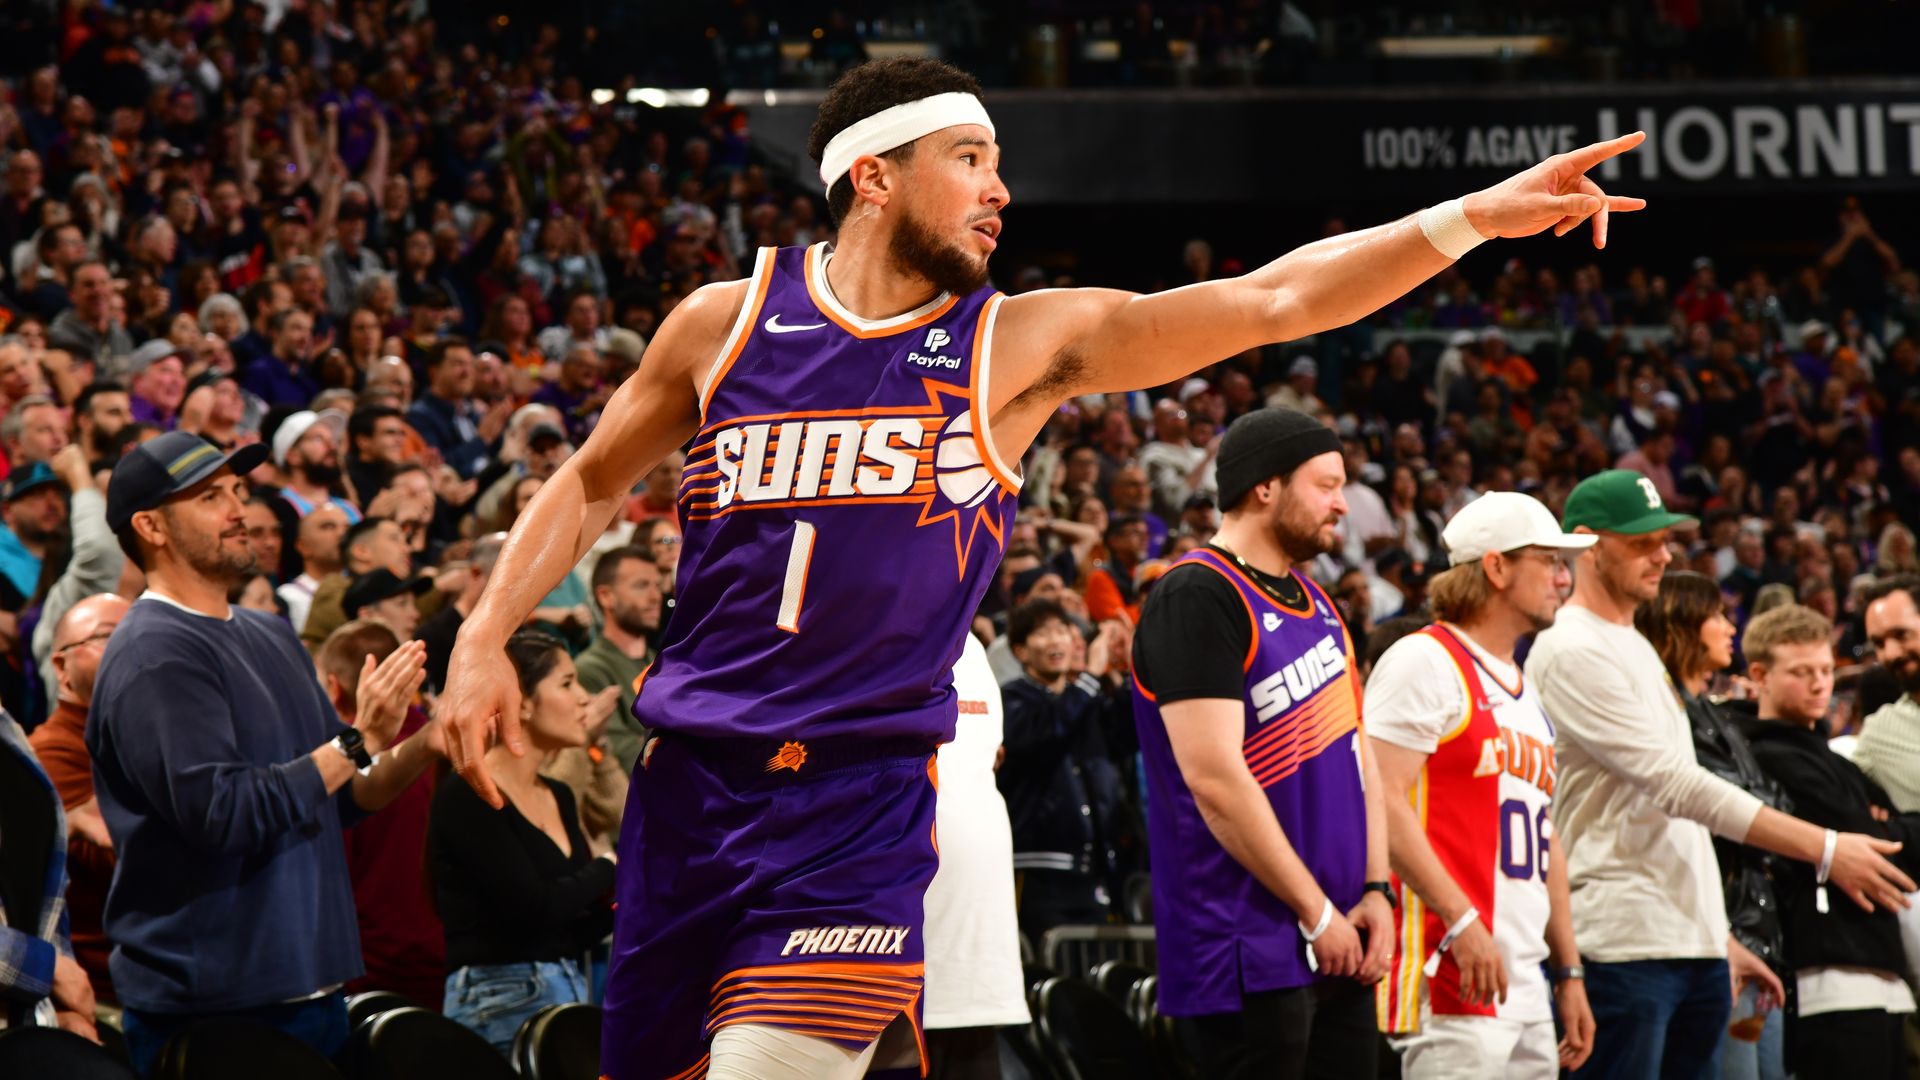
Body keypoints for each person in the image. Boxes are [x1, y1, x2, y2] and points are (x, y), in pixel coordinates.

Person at [436, 56, 1652, 1079]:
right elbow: (591, 481)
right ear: (874, 174)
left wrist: (1470, 219)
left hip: (854, 798)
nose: (1000, 191)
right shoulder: (722, 321)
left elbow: (1273, 298)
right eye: (970, 159)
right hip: (689, 788)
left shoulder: (1015, 345)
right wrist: (485, 637)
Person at [1525, 469, 1911, 1080]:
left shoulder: (1632, 645)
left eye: (1665, 538)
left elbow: (1671, 820)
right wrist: (1827, 848)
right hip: (1622, 944)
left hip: (1688, 943)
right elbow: (1675, 786)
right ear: (1586, 543)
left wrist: (1714, 933)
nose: (1664, 554)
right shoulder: (1572, 648)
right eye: (1641, 543)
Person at [86, 430, 434, 1073]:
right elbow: (224, 812)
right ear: (151, 527)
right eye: (212, 496)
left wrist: (426, 740)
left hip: (314, 985)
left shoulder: (270, 633)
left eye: (239, 490)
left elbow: (340, 799)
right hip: (214, 1004)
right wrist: (357, 740)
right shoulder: (154, 653)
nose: (240, 509)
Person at [1130, 407, 1392, 1078]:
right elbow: (1215, 779)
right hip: (1247, 945)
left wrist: (1376, 891)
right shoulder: (1198, 594)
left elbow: (1362, 761)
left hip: (1342, 936)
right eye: (1326, 485)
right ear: (1264, 487)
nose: (1342, 505)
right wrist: (1313, 913)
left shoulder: (1322, 603)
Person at [1366, 492, 1596, 1077]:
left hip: (1522, 977)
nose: (1562, 579)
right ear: (1495, 567)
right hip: (1447, 967)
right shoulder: (1423, 660)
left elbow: (1547, 840)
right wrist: (1463, 920)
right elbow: (1380, 801)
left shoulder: (1526, 689)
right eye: (1548, 561)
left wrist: (1567, 970)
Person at [1735, 606, 1920, 1080]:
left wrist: (1885, 826)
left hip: (1877, 969)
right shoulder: (1767, 755)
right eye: (1802, 673)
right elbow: (1881, 839)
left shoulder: (1836, 761)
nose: (1820, 684)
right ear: (1759, 675)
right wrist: (1881, 827)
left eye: (1824, 670)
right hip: (1824, 976)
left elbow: (1883, 830)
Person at [1635, 571, 1793, 1080]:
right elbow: (1741, 805)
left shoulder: (1714, 714)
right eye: (1716, 616)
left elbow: (1775, 803)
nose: (1730, 628)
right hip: (1716, 934)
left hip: (1754, 936)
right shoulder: (1669, 716)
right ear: (1681, 624)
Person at [429, 630, 615, 1054]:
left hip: (568, 989)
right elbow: (534, 908)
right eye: (567, 684)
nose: (584, 698)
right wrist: (609, 866)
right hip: (498, 1000)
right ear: (523, 702)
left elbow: (568, 929)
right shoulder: (470, 793)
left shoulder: (559, 794)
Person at [321, 619, 447, 1013]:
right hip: (447, 958)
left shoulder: (331, 765)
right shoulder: (446, 742)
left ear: (333, 686)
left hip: (365, 970)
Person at [923, 632, 1029, 1077]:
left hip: (981, 941)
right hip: (896, 939)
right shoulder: (872, 620)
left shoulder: (971, 645)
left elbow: (989, 755)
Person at [997, 598, 1133, 940]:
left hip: (1096, 872)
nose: (1056, 640)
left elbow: (1128, 736)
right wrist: (1089, 678)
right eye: (1043, 633)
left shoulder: (1084, 700)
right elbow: (1045, 737)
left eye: (1061, 631)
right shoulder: (1012, 699)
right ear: (1020, 651)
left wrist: (1133, 669)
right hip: (1040, 871)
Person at [27, 594, 129, 1008]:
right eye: (110, 636)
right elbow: (122, 863)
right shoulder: (51, 752)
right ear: (61, 667)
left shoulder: (144, 740)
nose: (131, 649)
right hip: (105, 992)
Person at [0, 702, 97, 1040]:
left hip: (23, 1028)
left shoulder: (6, 725)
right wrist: (48, 970)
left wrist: (59, 1007)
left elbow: (38, 877)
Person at [571, 545, 664, 772]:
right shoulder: (590, 670)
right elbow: (626, 758)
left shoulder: (663, 664)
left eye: (658, 586)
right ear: (606, 597)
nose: (655, 597)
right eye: (641, 586)